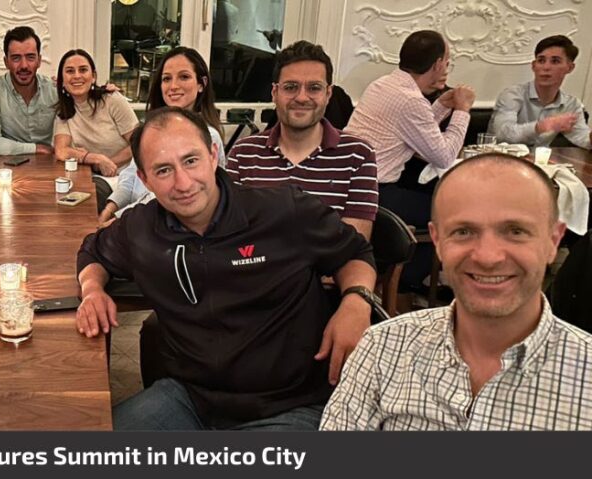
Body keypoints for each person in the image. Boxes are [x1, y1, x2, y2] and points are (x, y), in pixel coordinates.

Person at [76, 107, 377, 430]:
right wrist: (92, 290)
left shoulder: (283, 210)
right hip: (190, 398)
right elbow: (93, 251)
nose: (183, 183)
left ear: (213, 155)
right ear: (144, 179)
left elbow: (355, 252)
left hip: (290, 405)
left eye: (191, 161)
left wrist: (356, 301)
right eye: (163, 170)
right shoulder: (140, 228)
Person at [321, 153, 592, 430]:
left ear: (553, 241)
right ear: (437, 241)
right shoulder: (382, 348)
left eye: (515, 231)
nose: (488, 257)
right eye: (463, 232)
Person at [345, 30, 475, 288]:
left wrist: (442, 105)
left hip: (351, 186)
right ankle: (408, 281)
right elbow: (444, 156)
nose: (447, 68)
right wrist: (463, 110)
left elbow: (415, 131)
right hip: (375, 193)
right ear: (438, 64)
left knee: (434, 203)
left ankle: (413, 279)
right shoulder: (410, 99)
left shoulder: (382, 84)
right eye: (447, 62)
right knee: (456, 214)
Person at [227, 41, 378, 239]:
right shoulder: (243, 153)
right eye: (291, 87)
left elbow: (354, 244)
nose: (302, 98)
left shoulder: (358, 155)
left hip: (328, 262)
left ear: (328, 94)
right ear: (275, 93)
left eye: (314, 88)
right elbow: (231, 233)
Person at [98, 47, 226, 224]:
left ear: (201, 84)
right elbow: (131, 176)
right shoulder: (150, 131)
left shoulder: (208, 137)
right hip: (133, 218)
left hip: (162, 227)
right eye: (166, 79)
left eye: (184, 77)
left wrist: (118, 220)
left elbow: (163, 198)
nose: (173, 86)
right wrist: (110, 209)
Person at [52, 49, 140, 212]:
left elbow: (139, 144)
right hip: (92, 175)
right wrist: (96, 159)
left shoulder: (112, 100)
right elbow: (61, 151)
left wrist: (108, 163)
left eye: (83, 70)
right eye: (70, 71)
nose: (77, 76)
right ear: (62, 80)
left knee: (85, 202)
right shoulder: (64, 111)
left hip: (125, 176)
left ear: (93, 76)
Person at [490, 35, 591, 150]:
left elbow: (583, 139)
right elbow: (502, 135)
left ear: (570, 68)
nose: (546, 67)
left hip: (537, 159)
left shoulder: (571, 104)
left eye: (555, 61)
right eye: (541, 61)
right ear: (534, 66)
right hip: (498, 157)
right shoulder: (512, 95)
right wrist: (541, 126)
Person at [0, 26, 58, 156]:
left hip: (49, 163)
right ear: (6, 62)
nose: (24, 65)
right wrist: (36, 148)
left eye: (30, 57)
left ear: (39, 61)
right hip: (7, 165)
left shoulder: (53, 90)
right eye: (16, 58)